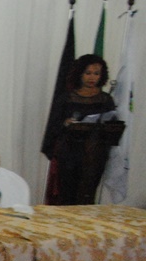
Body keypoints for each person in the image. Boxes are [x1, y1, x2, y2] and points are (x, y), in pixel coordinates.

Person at [42, 54, 116, 205]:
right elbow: (53, 126)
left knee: (88, 195)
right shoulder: (66, 98)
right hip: (69, 155)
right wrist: (66, 123)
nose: (92, 77)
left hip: (95, 156)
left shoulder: (106, 99)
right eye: (88, 73)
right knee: (67, 195)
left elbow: (113, 128)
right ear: (79, 73)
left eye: (96, 73)